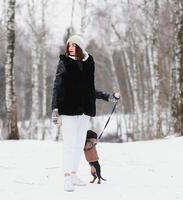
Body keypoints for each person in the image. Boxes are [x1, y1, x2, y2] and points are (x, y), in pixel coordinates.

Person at [51, 34, 120, 192]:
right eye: (69, 45)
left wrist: (107, 97)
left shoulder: (89, 63)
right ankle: (67, 177)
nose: (71, 48)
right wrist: (55, 108)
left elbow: (89, 89)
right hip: (68, 110)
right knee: (69, 144)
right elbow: (57, 86)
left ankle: (74, 174)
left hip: (84, 111)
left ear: (80, 48)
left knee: (77, 145)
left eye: (74, 46)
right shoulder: (64, 62)